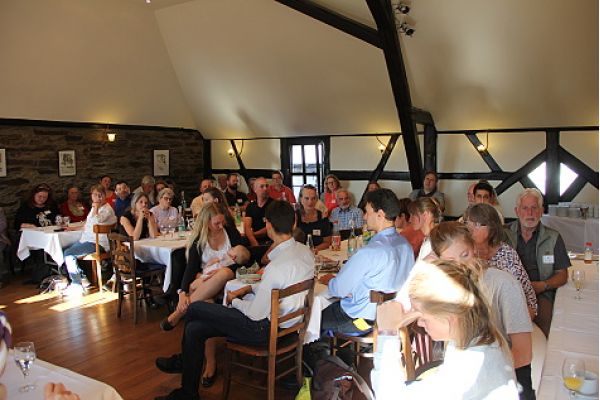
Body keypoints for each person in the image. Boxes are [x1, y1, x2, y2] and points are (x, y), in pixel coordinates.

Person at [154, 200, 313, 400]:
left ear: (268, 225)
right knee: (194, 329)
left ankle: (183, 365)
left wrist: (233, 300)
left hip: (262, 330)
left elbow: (255, 315)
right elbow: (279, 286)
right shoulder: (305, 252)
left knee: (195, 308)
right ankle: (188, 392)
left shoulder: (276, 267)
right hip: (289, 327)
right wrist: (250, 288)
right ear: (294, 221)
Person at [372, 259, 519, 400]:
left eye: (423, 317)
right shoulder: (479, 335)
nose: (420, 323)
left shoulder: (468, 367)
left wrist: (387, 333)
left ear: (449, 317)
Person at [430, 222, 535, 400]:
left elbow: (524, 354)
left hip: (507, 383)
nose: (461, 265)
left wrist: (481, 376)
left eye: (465, 255)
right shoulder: (446, 288)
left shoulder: (504, 284)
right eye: (450, 261)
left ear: (474, 248)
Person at [159, 203, 250, 386]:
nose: (221, 226)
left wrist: (223, 268)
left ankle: (180, 315)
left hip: (227, 282)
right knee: (205, 305)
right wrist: (182, 292)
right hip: (203, 285)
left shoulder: (230, 233)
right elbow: (190, 269)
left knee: (223, 273)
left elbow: (246, 258)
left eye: (222, 222)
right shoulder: (198, 241)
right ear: (207, 222)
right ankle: (210, 363)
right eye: (217, 223)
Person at [319, 188, 414, 336]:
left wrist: (330, 280)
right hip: (391, 314)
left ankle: (320, 348)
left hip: (362, 321)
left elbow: (338, 289)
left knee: (314, 316)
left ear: (380, 215)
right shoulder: (405, 245)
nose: (364, 217)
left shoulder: (370, 252)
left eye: (367, 212)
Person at [505, 188, 569, 337]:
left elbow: (562, 275)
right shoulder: (504, 234)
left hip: (541, 292)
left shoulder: (553, 237)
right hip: (510, 291)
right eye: (525, 208)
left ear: (541, 211)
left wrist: (542, 285)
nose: (530, 213)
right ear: (517, 211)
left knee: (546, 324)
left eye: (534, 208)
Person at [465, 203, 538, 319]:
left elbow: (528, 294)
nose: (470, 229)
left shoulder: (507, 253)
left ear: (492, 227)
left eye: (477, 224)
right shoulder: (464, 254)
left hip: (510, 315)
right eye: (468, 223)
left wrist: (523, 318)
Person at [62, 185, 117, 296]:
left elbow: (98, 220)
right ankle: (82, 278)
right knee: (64, 249)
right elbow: (88, 224)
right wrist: (73, 228)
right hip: (86, 239)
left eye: (100, 195)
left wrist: (95, 208)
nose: (98, 197)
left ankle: (76, 284)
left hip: (98, 243)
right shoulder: (94, 208)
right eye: (95, 195)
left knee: (68, 254)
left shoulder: (107, 209)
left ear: (105, 196)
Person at [296, 185, 332, 252]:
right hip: (298, 253)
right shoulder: (294, 216)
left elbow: (327, 242)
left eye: (313, 198)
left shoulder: (323, 217)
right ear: (301, 199)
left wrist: (314, 250)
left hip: (318, 253)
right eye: (307, 198)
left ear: (317, 200)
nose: (310, 202)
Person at [243, 177, 273, 248]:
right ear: (255, 190)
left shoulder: (274, 205)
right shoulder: (250, 206)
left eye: (267, 186)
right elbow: (247, 227)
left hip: (270, 241)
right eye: (262, 186)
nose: (265, 188)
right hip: (254, 240)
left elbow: (270, 227)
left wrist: (252, 234)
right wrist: (254, 242)